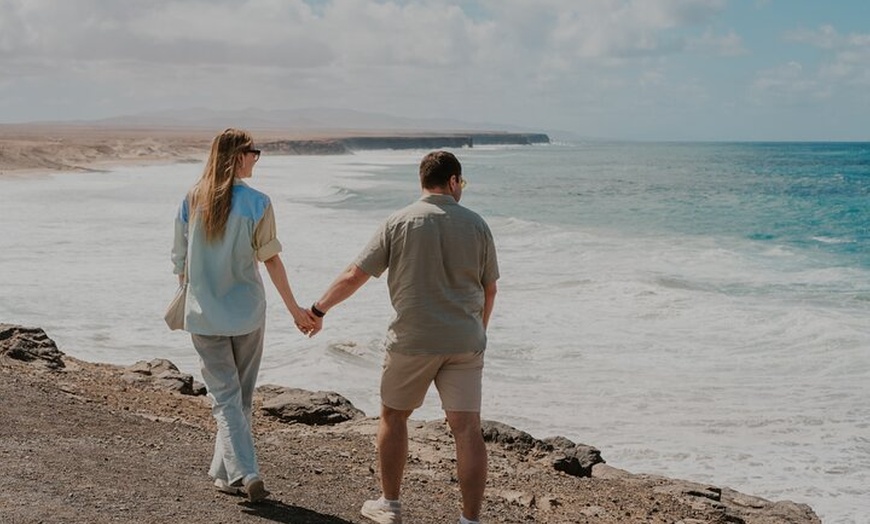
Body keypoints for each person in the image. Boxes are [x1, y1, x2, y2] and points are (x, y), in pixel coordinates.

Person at [308, 151, 499, 524]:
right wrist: (478, 332)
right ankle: (470, 520)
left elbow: (354, 275)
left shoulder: (399, 222)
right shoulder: (477, 225)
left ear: (422, 181)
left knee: (394, 416)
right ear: (454, 181)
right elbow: (490, 289)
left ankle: (390, 506)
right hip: (464, 341)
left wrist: (317, 311)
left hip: (412, 339)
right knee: (467, 429)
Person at [170, 128, 314, 502]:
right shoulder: (259, 203)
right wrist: (296, 309)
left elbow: (179, 260)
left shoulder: (191, 199)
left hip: (203, 316)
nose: (257, 158)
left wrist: (194, 288)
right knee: (237, 399)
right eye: (254, 152)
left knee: (228, 399)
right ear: (238, 156)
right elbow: (271, 259)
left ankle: (225, 474)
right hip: (247, 314)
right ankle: (247, 472)